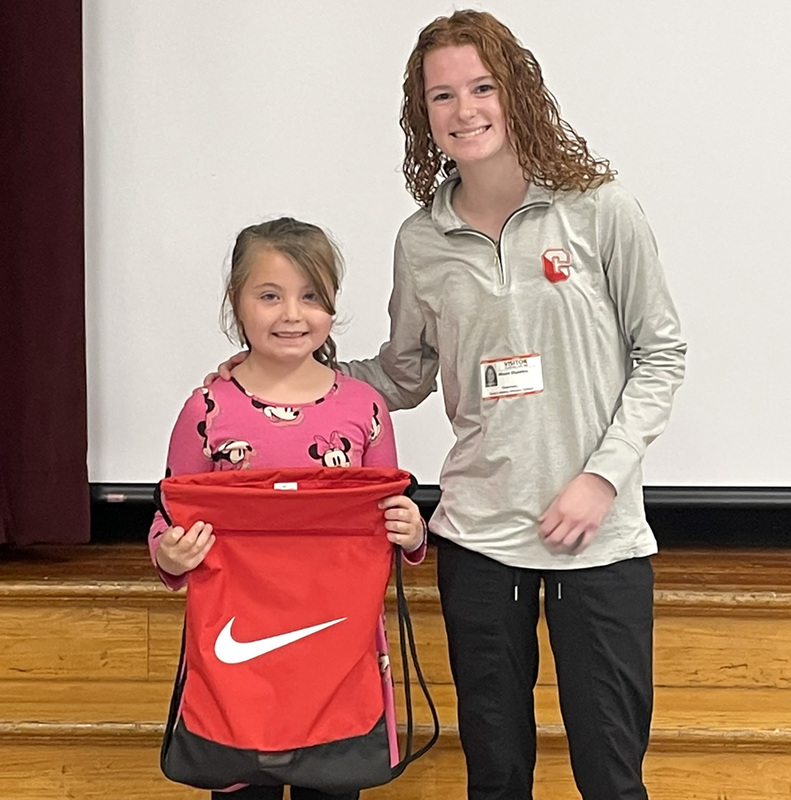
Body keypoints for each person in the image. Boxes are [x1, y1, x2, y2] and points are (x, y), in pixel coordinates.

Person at [211, 10, 686, 800]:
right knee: (494, 776)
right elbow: (403, 373)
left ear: (516, 93)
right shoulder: (419, 240)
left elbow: (660, 354)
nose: (464, 111)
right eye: (441, 96)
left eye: (481, 87)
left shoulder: (599, 209)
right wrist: (280, 366)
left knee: (610, 776)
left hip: (598, 539)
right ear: (420, 114)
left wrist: (600, 478)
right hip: (477, 537)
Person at [149, 217, 426, 800]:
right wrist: (171, 553)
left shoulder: (365, 408)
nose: (292, 314)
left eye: (311, 297)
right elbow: (169, 516)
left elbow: (389, 514)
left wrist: (410, 530)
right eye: (269, 296)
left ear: (332, 307)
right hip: (237, 653)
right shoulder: (207, 409)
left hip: (336, 653)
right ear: (237, 303)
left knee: (332, 786)